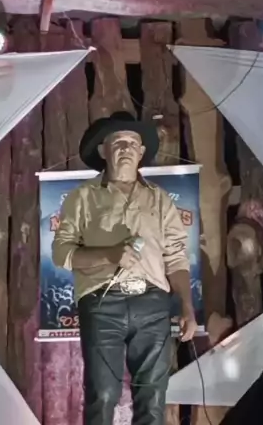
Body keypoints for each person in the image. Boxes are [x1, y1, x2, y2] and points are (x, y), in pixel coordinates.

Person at [52, 111, 197, 425]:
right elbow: (62, 253)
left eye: (132, 143)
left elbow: (176, 257)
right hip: (102, 303)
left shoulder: (160, 200)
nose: (126, 148)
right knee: (103, 395)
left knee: (153, 399)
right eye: (118, 142)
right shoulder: (82, 197)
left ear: (142, 152)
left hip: (153, 305)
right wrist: (109, 254)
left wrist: (187, 306)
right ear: (103, 150)